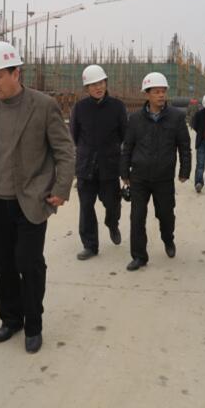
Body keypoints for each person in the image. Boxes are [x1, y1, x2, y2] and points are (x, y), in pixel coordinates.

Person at [0, 41, 74, 354]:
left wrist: (61, 188)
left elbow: (64, 150)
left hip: (31, 200)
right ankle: (11, 319)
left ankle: (33, 324)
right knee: (2, 265)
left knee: (29, 263)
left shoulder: (43, 105)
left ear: (16, 73)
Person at [120, 72, 191, 271]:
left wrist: (185, 170)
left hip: (164, 177)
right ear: (147, 94)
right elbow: (127, 146)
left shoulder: (176, 117)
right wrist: (124, 172)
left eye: (163, 91)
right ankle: (139, 256)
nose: (161, 95)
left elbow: (184, 146)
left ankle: (168, 239)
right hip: (139, 177)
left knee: (166, 215)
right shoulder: (135, 119)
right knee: (137, 218)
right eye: (156, 92)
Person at [71, 64, 128, 261]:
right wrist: (85, 153)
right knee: (86, 207)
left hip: (109, 166)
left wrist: (123, 164)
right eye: (93, 84)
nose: (98, 87)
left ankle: (112, 224)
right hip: (86, 167)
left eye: (101, 83)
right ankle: (90, 245)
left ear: (106, 83)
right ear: (86, 88)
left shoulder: (117, 107)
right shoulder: (80, 108)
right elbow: (74, 135)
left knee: (112, 204)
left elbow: (125, 135)